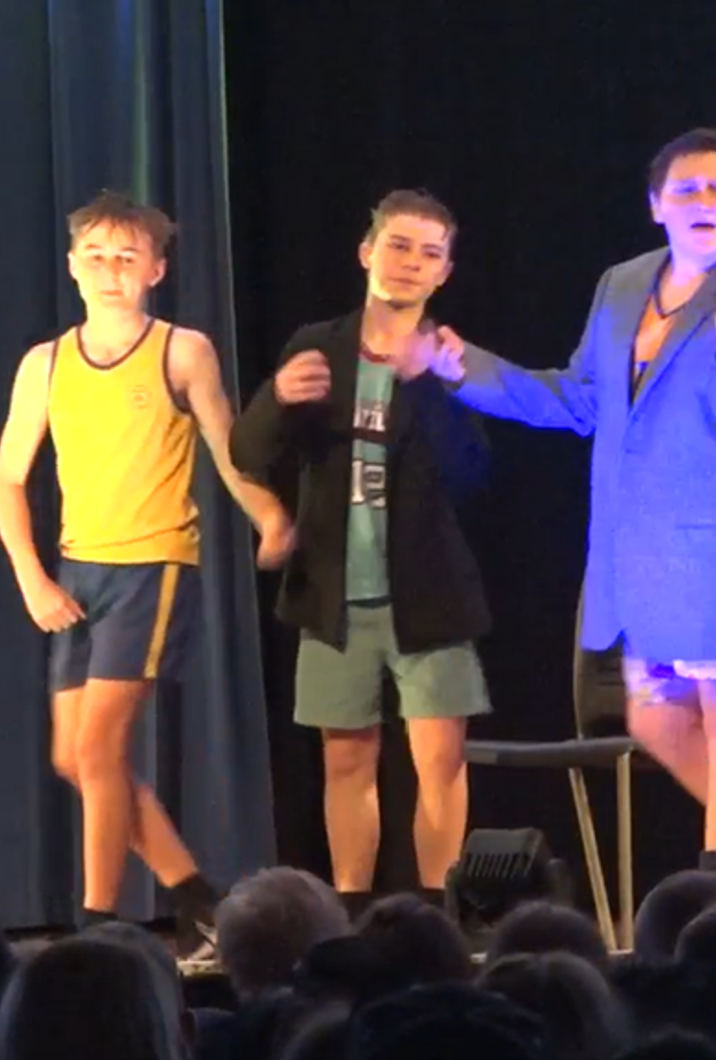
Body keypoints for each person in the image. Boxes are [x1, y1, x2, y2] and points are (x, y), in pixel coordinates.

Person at [426, 129, 716, 886]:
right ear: (656, 206)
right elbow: (582, 400)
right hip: (644, 560)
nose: (703, 201)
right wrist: (466, 371)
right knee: (652, 718)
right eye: (686, 189)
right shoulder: (623, 285)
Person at [0, 189, 295, 957]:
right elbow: (6, 479)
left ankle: (98, 927)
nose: (109, 271)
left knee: (100, 752)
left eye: (126, 258)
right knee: (74, 758)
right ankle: (200, 902)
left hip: (151, 566)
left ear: (155, 269)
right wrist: (32, 577)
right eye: (95, 256)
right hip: (76, 572)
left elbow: (227, 448)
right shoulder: (46, 363)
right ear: (71, 265)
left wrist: (269, 517)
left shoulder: (181, 351)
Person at [229, 189, 492, 916]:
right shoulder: (318, 345)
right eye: (398, 245)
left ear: (444, 272)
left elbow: (474, 474)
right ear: (367, 252)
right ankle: (349, 915)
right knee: (346, 759)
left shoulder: (450, 358)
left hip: (429, 595)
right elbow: (247, 453)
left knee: (439, 761)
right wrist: (276, 397)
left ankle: (437, 914)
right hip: (334, 591)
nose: (411, 262)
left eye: (429, 253)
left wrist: (429, 385)